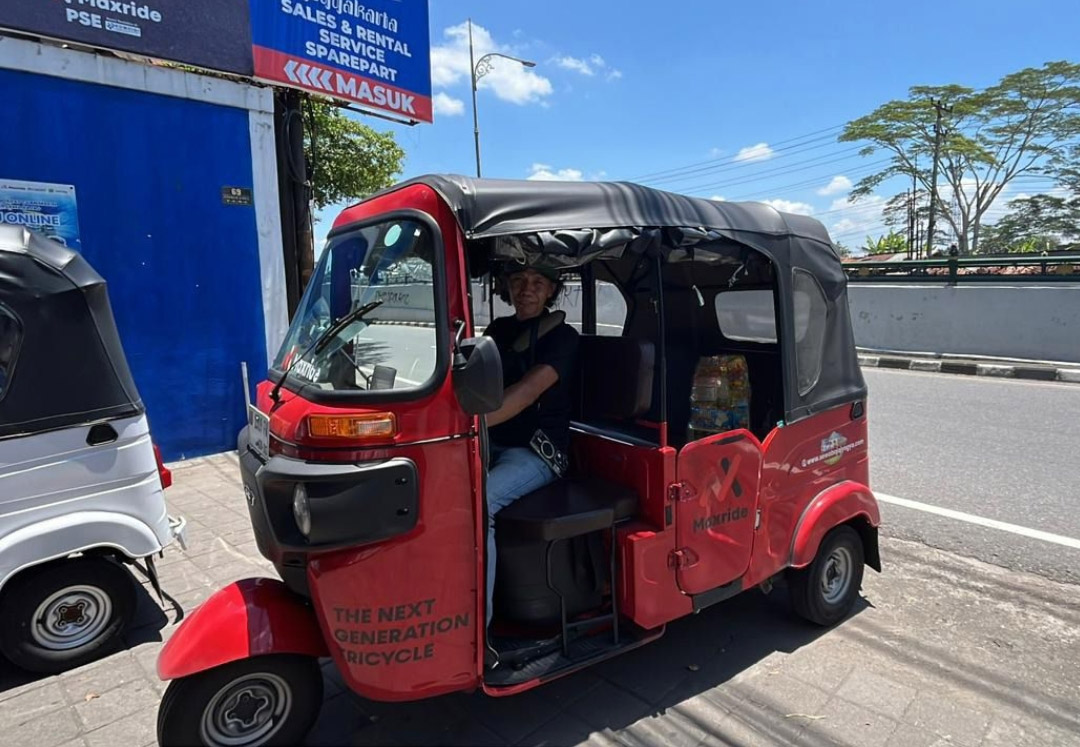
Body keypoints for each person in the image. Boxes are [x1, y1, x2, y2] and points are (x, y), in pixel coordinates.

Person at [482, 262, 578, 661]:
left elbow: (526, 392)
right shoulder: (497, 330)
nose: (527, 289)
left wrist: (466, 423)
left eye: (538, 282)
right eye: (519, 281)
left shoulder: (563, 338)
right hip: (492, 441)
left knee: (480, 503)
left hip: (539, 452)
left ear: (551, 290)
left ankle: (478, 634)